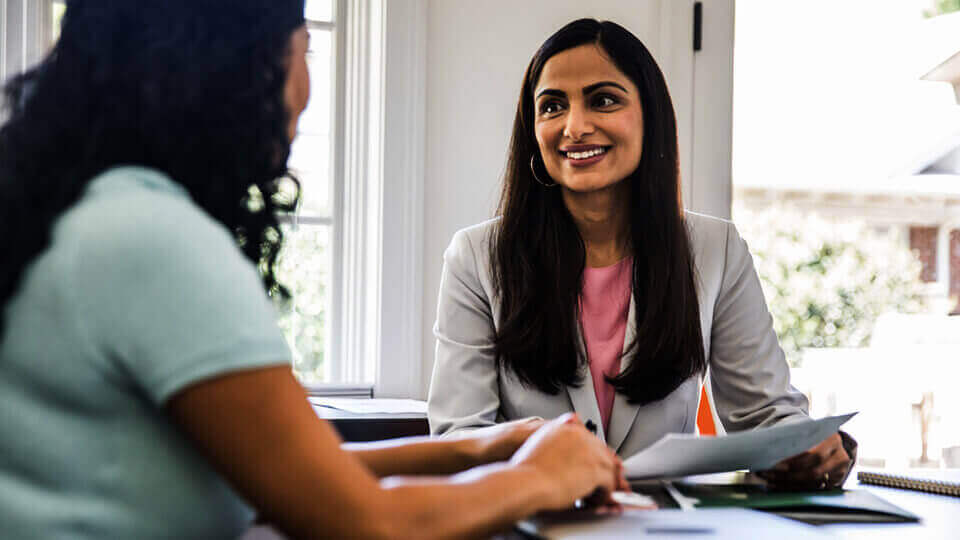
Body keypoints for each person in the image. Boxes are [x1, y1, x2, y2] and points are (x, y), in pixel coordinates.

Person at [0, 3, 627, 538]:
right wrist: (542, 477)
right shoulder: (154, 241)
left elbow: (299, 469)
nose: (305, 85)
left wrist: (479, 446)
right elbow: (366, 524)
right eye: (305, 54)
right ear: (239, 67)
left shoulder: (97, 211)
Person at [427, 18, 856, 491]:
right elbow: (458, 438)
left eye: (603, 100)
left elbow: (764, 414)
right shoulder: (476, 258)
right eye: (552, 107)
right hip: (530, 521)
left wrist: (804, 447)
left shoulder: (717, 250)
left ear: (650, 116)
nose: (575, 126)